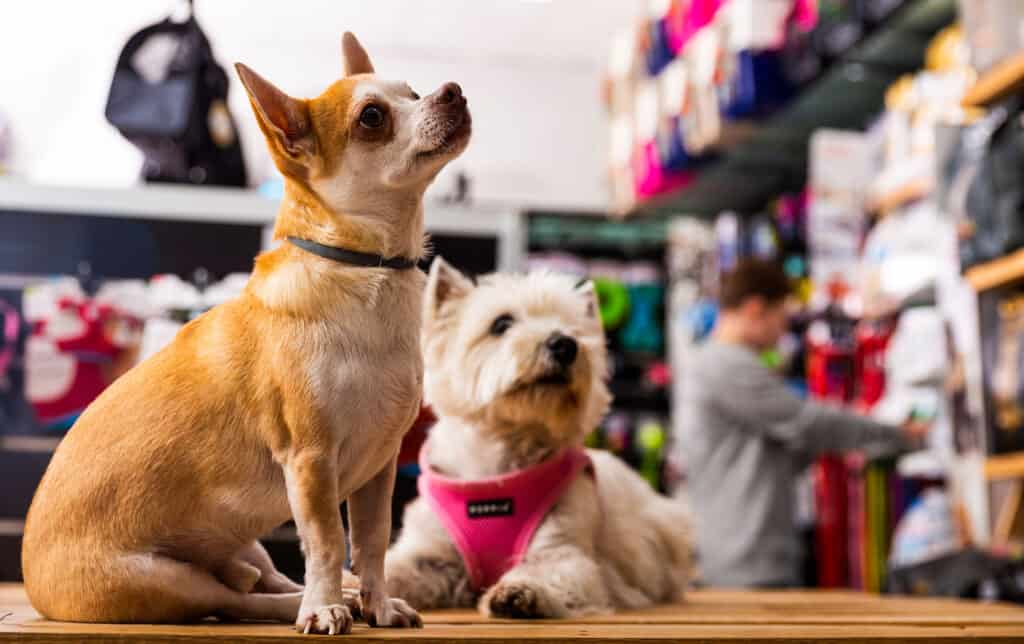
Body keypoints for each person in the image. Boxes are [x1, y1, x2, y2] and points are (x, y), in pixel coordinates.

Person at [678, 258, 929, 588]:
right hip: (745, 563)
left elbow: (786, 447)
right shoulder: (724, 365)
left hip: (746, 555)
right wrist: (899, 435)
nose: (784, 331)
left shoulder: (714, 365)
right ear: (755, 308)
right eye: (782, 316)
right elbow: (807, 422)